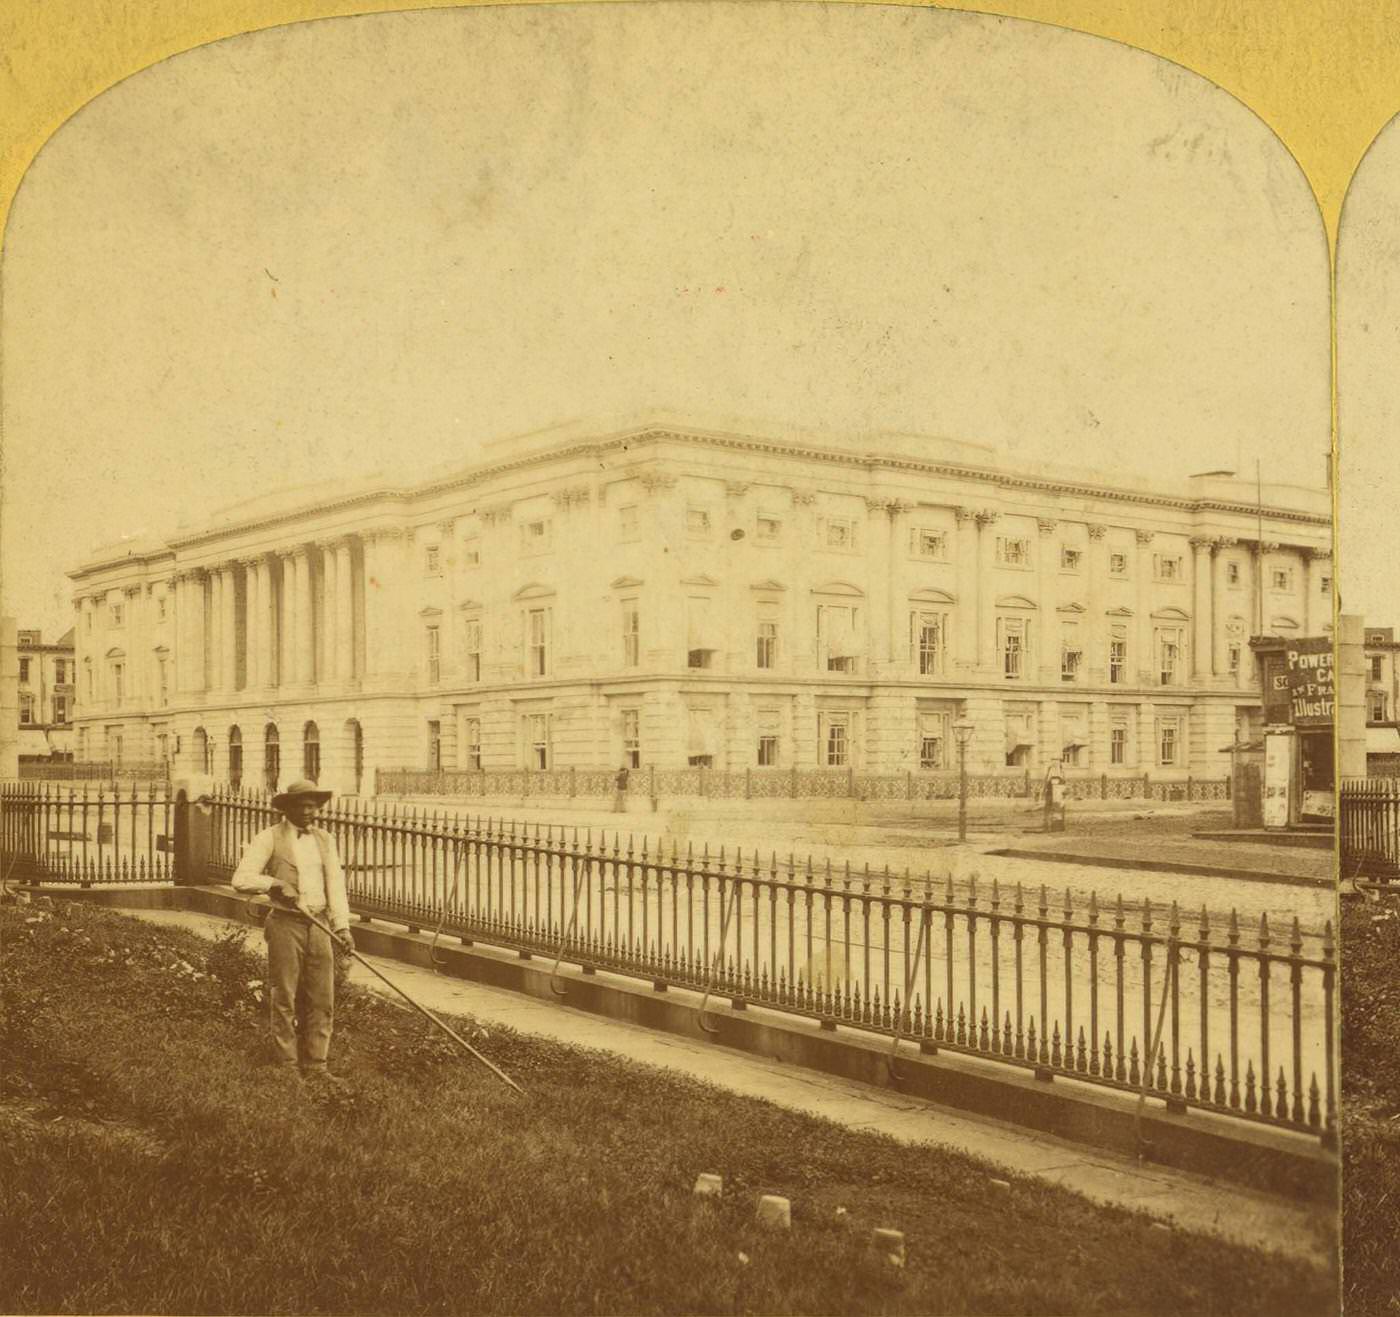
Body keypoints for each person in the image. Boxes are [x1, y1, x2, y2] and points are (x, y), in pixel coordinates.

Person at [231, 779, 354, 1083]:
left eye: (313, 805)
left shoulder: (326, 839)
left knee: (322, 997)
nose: (310, 811)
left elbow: (335, 886)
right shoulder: (269, 837)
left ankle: (317, 1065)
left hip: (320, 924)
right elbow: (241, 878)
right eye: (302, 805)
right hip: (286, 924)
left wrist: (343, 926)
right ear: (287, 808)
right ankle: (287, 1066)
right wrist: (274, 884)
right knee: (284, 994)